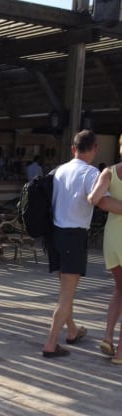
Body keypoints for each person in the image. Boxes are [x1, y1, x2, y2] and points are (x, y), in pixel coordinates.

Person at [42, 129, 99, 358]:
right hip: (74, 236)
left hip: (55, 235)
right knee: (66, 295)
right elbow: (98, 199)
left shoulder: (59, 170)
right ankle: (50, 344)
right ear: (95, 149)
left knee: (66, 289)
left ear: (73, 148)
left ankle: (73, 331)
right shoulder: (91, 173)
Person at [88, 134, 122, 364]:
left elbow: (94, 198)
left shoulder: (109, 172)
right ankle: (120, 353)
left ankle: (108, 336)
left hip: (113, 238)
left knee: (119, 289)